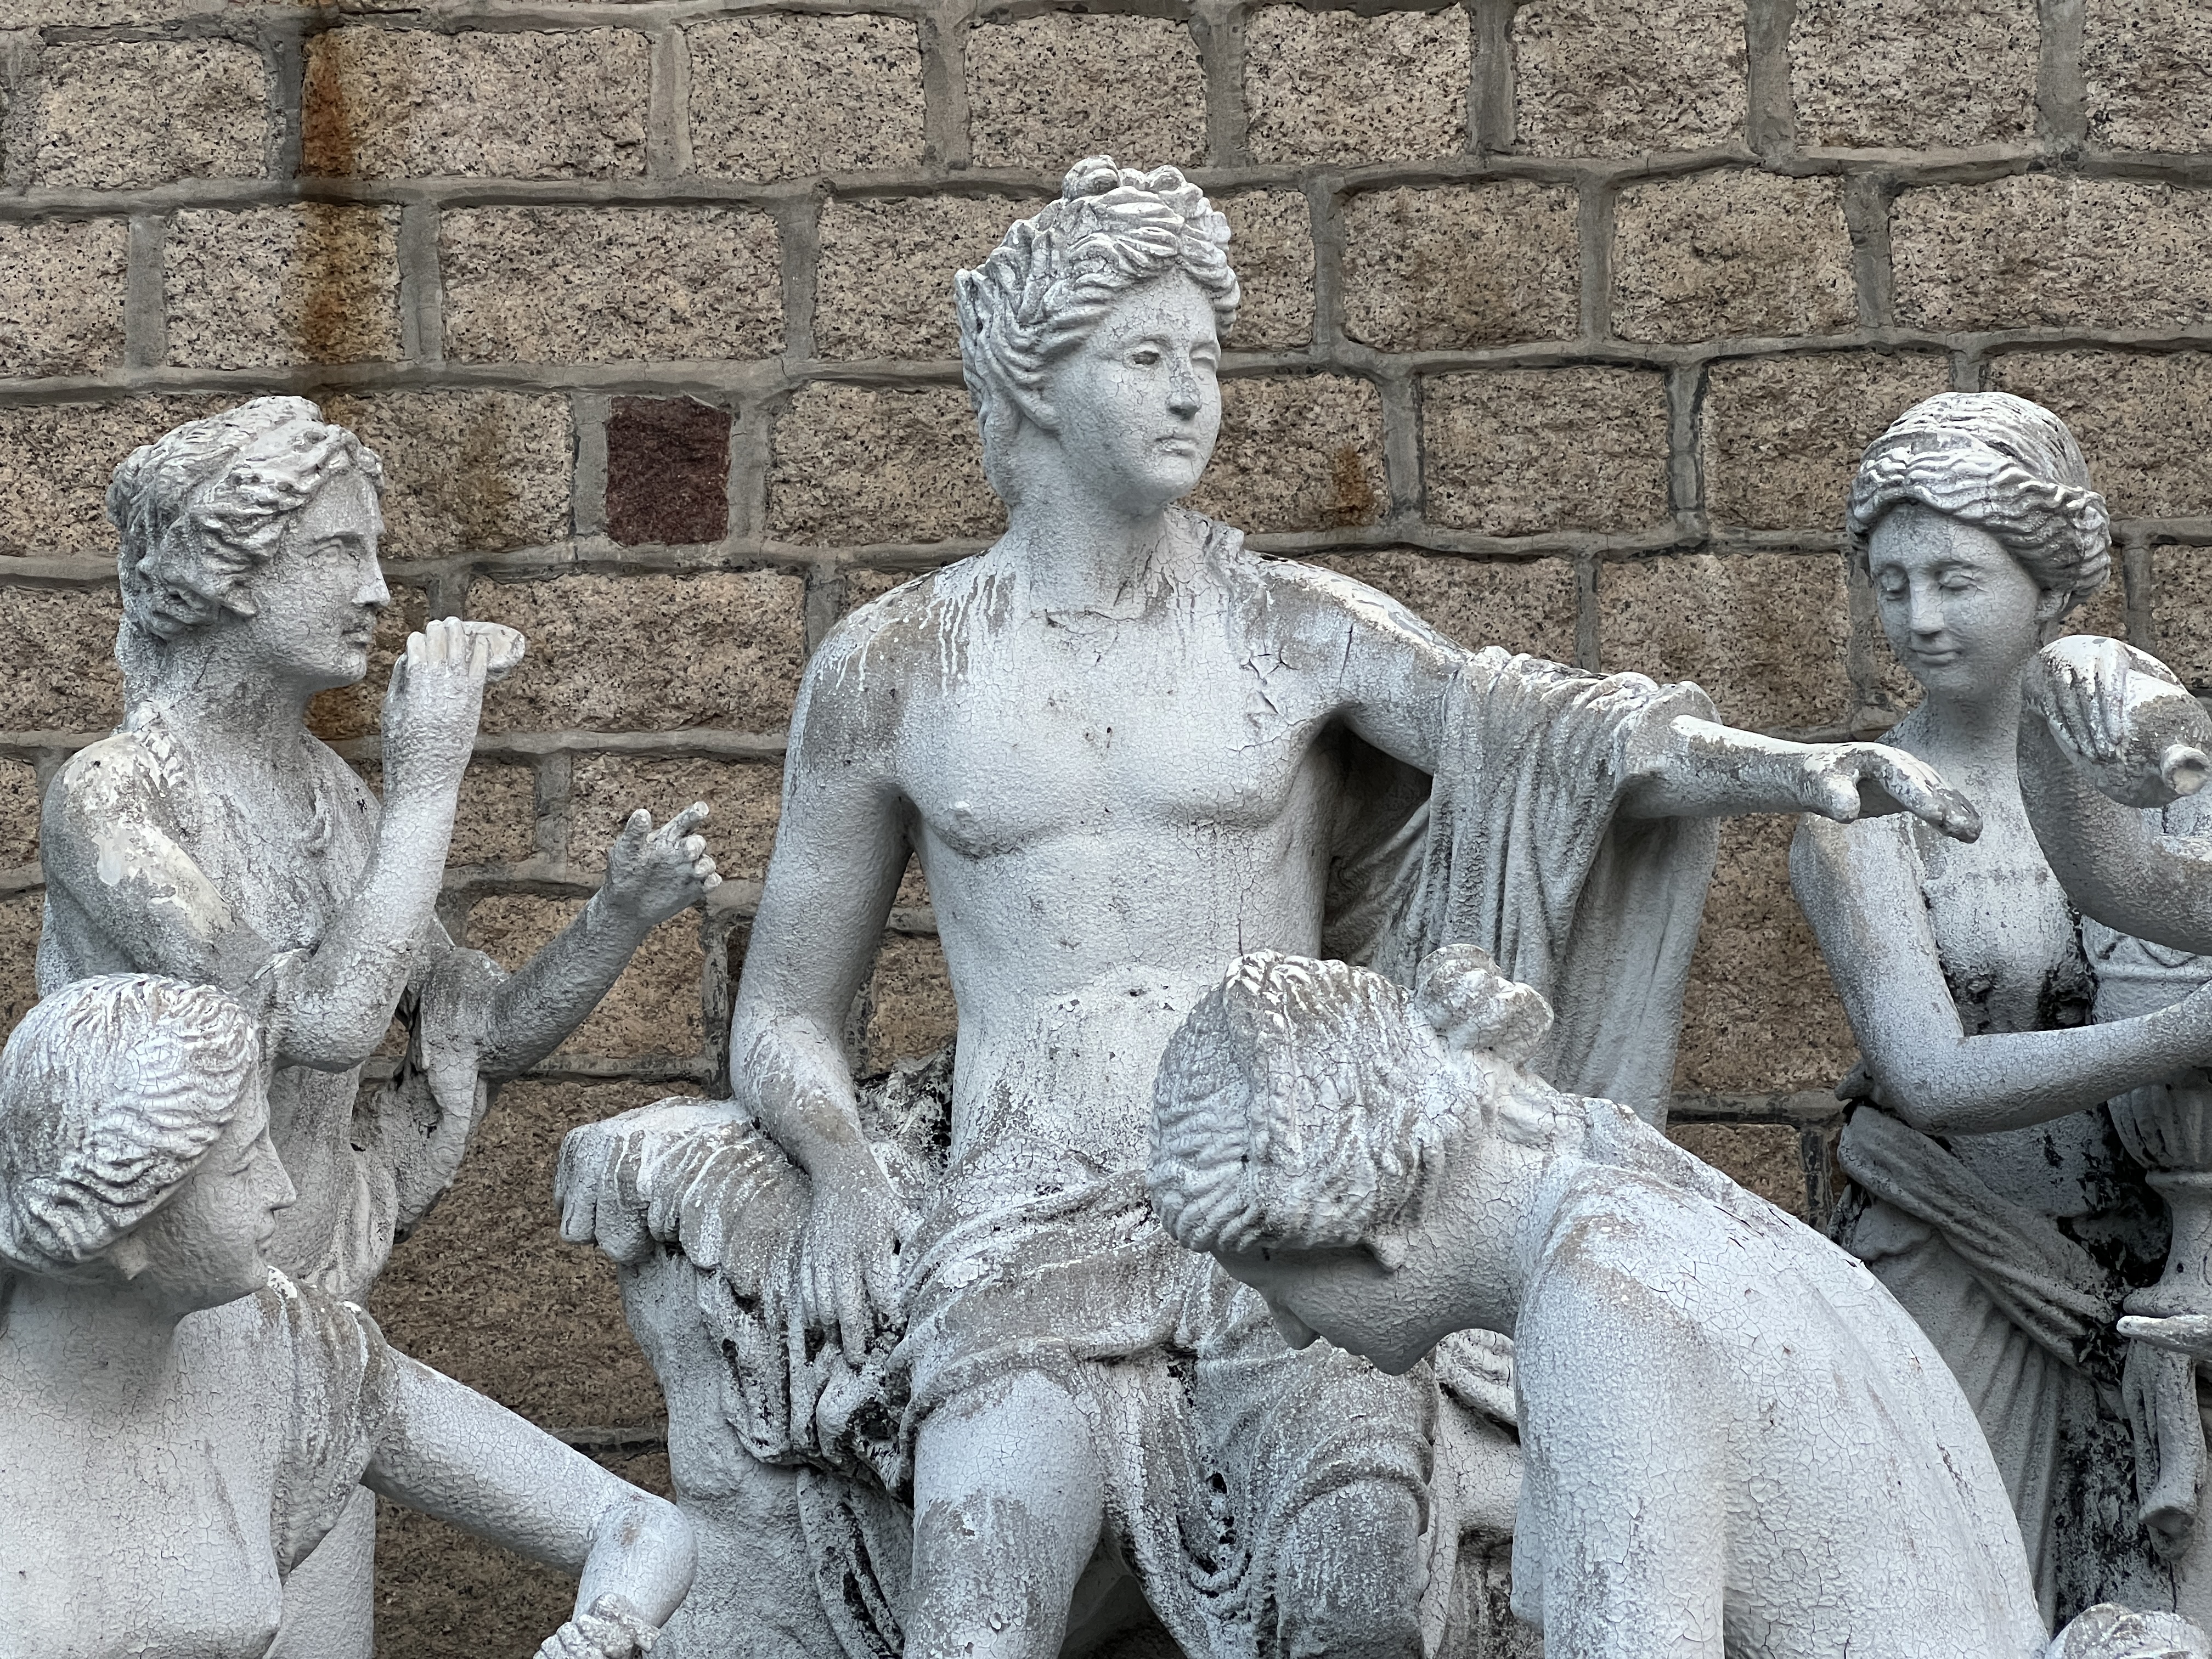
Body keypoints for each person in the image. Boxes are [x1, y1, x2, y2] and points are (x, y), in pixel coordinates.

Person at [717, 157, 1982, 1659]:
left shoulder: (1286, 626)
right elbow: (784, 1013)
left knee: (1363, 1599)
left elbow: (1543, 733)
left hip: (1302, 1211)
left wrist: (1790, 769)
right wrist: (845, 1170)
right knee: (976, 1615)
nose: (1193, 394)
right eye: (1146, 357)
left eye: (1206, 358)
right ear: (1038, 382)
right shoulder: (896, 668)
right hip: (1030, 1221)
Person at [35, 396, 721, 1655]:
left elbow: (482, 1032)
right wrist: (430, 782)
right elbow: (324, 1021)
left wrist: (614, 922)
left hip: (308, 1333)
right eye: (338, 551)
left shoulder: (335, 806)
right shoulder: (119, 799)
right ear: (230, 571)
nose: (376, 590)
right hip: (147, 1344)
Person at [1145, 943, 2210, 1659]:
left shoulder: (1605, 1307)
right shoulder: (1653, 1210)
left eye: (1274, 1284)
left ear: (1363, 1221)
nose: (1291, 1327)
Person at [1788, 392, 2212, 1622]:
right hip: (1956, 1257)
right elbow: (1926, 1077)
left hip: (2151, 1268)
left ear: (2049, 586)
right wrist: (2181, 1034)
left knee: (2149, 1613)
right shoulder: (1863, 813)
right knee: (1946, 1608)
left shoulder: (2155, 773)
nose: (1919, 617)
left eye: (1955, 580)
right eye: (1892, 583)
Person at [0, 973, 697, 1659]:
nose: (282, 1188)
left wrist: (603, 1635)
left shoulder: (284, 1350)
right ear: (121, 1220)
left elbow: (636, 1525)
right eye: (243, 1166)